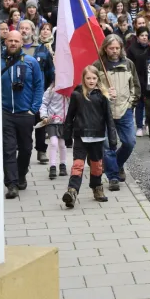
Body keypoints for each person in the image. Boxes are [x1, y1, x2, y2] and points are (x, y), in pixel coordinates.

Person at [62, 66, 118, 207]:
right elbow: (70, 116)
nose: (91, 81)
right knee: (78, 165)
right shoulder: (77, 94)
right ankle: (72, 191)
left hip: (97, 136)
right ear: (83, 79)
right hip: (81, 136)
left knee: (96, 165)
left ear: (98, 79)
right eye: (88, 78)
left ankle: (97, 188)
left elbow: (109, 118)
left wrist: (112, 139)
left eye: (94, 78)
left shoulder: (102, 96)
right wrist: (67, 135)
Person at [93, 35, 141, 190]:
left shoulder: (129, 64)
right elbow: (91, 88)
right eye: (111, 48)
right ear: (105, 48)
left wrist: (130, 104)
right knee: (108, 146)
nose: (114, 51)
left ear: (121, 48)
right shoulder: (98, 65)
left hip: (124, 109)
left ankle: (117, 163)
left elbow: (135, 85)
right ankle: (113, 176)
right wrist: (105, 93)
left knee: (129, 142)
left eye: (117, 48)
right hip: (104, 112)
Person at [1, 31, 45, 199]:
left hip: (25, 113)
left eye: (16, 41)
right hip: (5, 113)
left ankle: (21, 175)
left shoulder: (30, 62)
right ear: (5, 41)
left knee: (26, 148)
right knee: (9, 149)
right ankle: (11, 184)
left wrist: (33, 109)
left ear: (21, 42)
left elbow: (38, 85)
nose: (13, 43)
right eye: (10, 40)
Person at [18, 19, 55, 165]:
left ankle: (41, 151)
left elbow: (50, 70)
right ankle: (22, 149)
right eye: (21, 28)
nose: (24, 31)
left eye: (27, 28)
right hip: (20, 93)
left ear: (33, 31)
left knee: (41, 121)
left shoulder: (41, 49)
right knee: (24, 123)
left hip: (39, 92)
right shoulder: (15, 49)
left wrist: (51, 88)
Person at [40, 82, 69, 179]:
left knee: (62, 144)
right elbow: (44, 103)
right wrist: (44, 116)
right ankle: (52, 166)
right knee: (53, 143)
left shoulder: (69, 91)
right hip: (52, 121)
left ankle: (63, 165)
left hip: (63, 122)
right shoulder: (51, 90)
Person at [127, 27, 150, 137]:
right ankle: (140, 126)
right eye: (142, 35)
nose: (144, 37)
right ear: (137, 37)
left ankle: (148, 124)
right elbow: (129, 65)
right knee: (140, 104)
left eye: (146, 35)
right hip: (138, 79)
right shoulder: (132, 49)